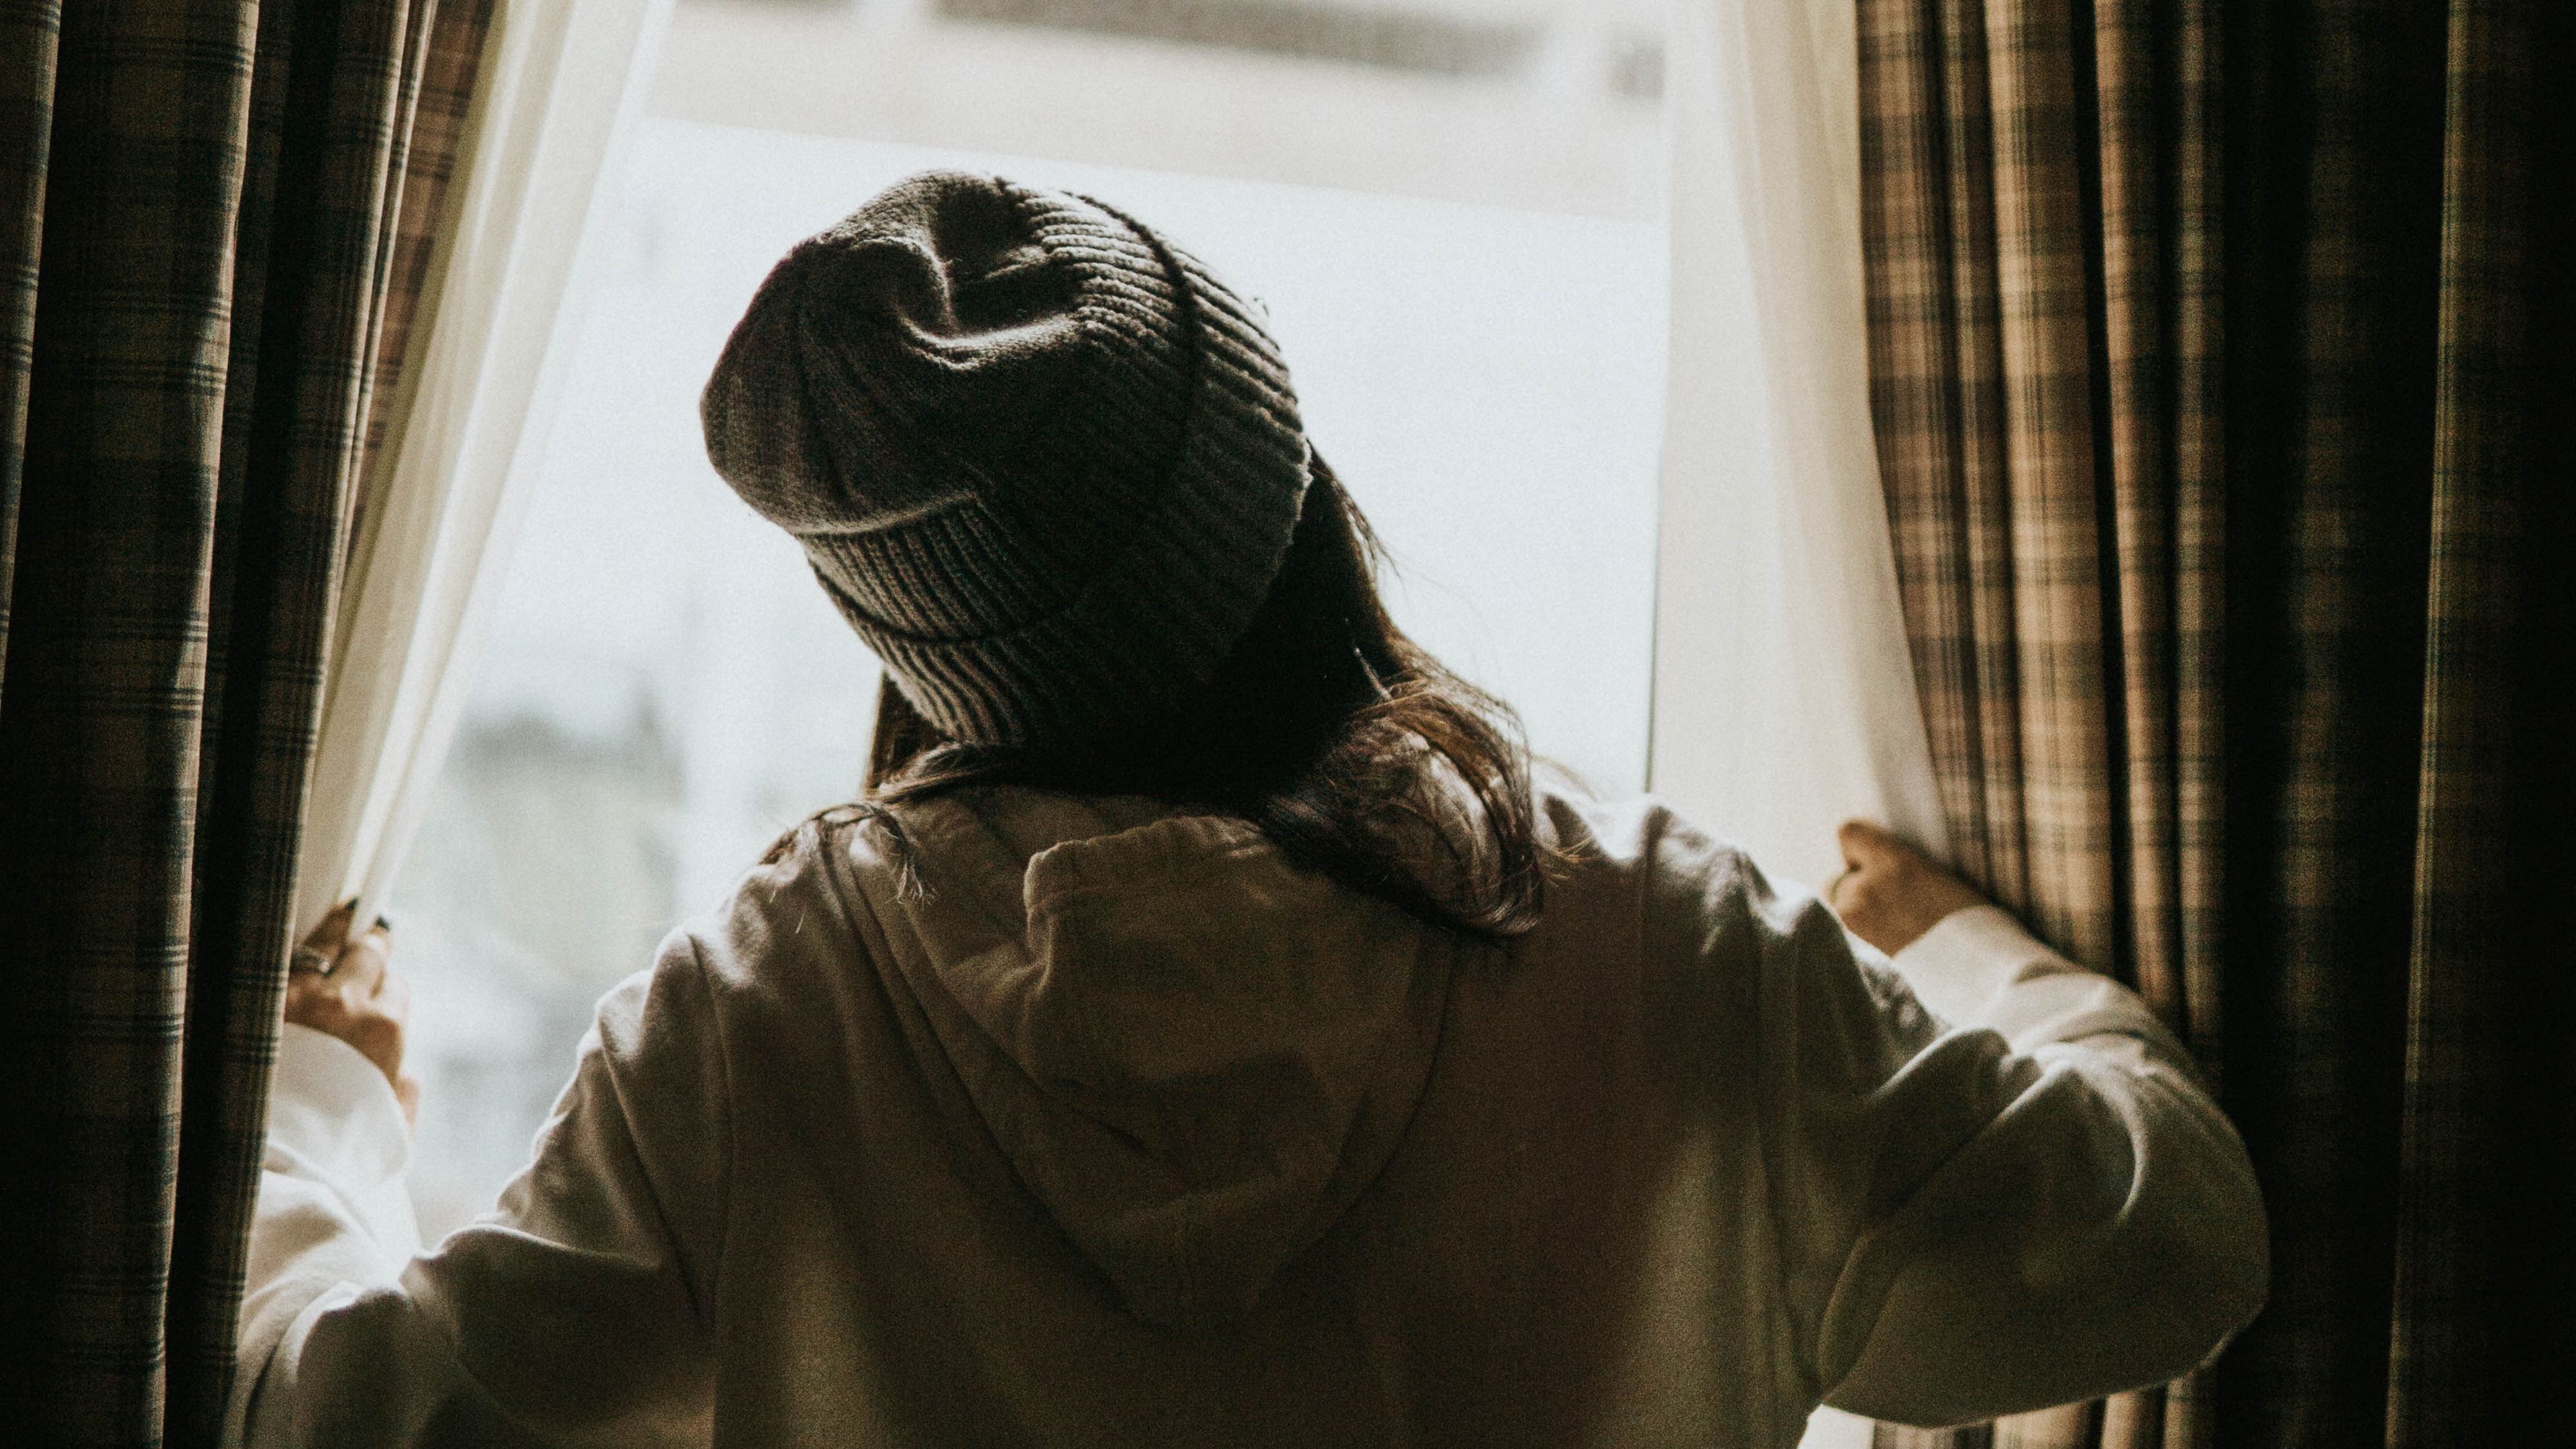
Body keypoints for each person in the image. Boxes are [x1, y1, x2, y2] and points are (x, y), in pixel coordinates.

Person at [233, 172, 2267, 1448]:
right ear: (1293, 516)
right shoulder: (1668, 954)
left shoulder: (765, 1026)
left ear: (924, 656)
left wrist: (326, 1106)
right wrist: (1978, 956)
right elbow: (2172, 1241)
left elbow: (337, 1426)